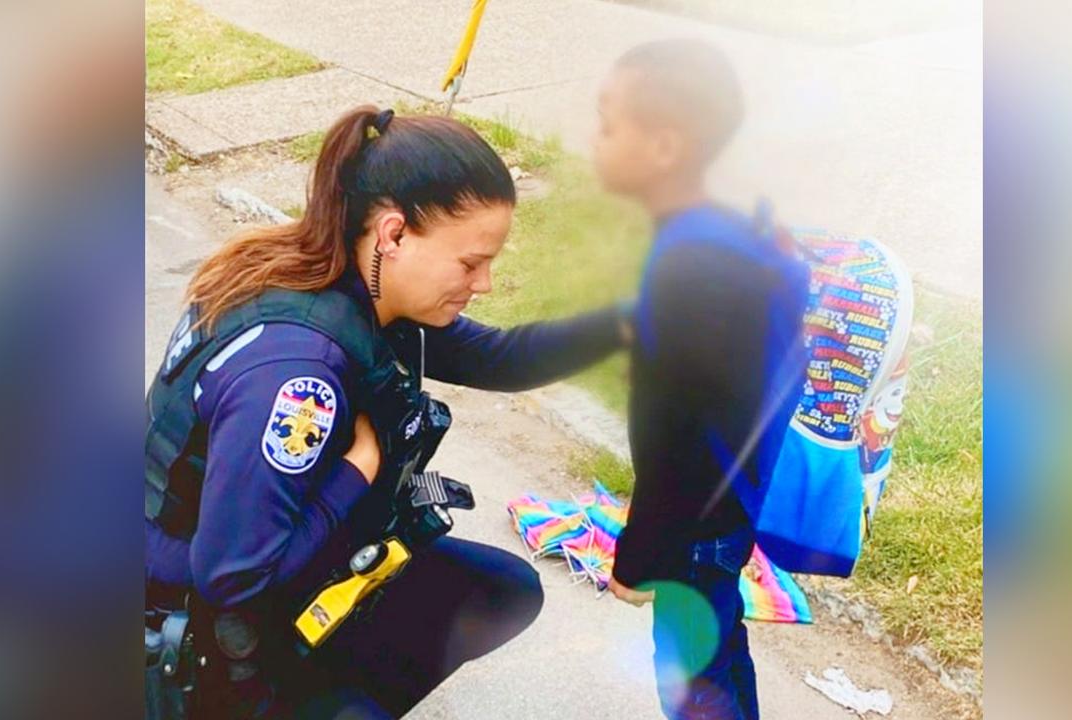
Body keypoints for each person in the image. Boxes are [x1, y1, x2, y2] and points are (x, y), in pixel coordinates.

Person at [145, 105, 630, 719]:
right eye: (470, 262)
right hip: (199, 633)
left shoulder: (355, 284)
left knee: (501, 590)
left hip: (282, 563)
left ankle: (333, 686)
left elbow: (500, 359)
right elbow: (234, 581)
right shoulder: (299, 378)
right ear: (393, 234)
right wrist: (358, 472)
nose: (484, 284)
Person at [593, 40, 810, 719]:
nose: (595, 142)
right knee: (718, 648)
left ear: (664, 146)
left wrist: (638, 556)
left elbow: (671, 435)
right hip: (731, 505)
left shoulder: (685, 264)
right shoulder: (734, 236)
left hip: (695, 521)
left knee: (689, 675)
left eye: (607, 124)